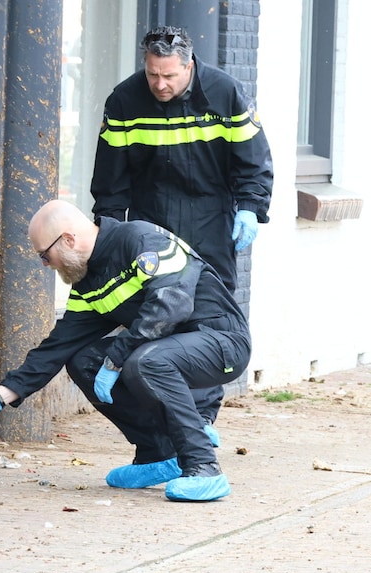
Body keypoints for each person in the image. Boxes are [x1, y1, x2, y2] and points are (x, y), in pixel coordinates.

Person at [0, 200, 252, 502]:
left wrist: (118, 356)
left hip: (222, 343)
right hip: (164, 352)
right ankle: (158, 454)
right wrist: (1, 395)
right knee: (84, 361)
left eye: (45, 255)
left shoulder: (143, 241)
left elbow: (171, 306)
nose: (47, 264)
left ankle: (203, 465)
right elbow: (58, 346)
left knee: (145, 361)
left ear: (68, 239)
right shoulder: (88, 282)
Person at [90, 26, 273, 442]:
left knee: (206, 323)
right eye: (153, 74)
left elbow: (253, 161)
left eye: (169, 75)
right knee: (160, 317)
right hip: (152, 226)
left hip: (210, 223)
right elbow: (110, 179)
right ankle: (167, 422)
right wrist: (110, 230)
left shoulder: (224, 93)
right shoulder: (124, 101)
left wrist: (250, 208)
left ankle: (201, 423)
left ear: (189, 65)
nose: (160, 84)